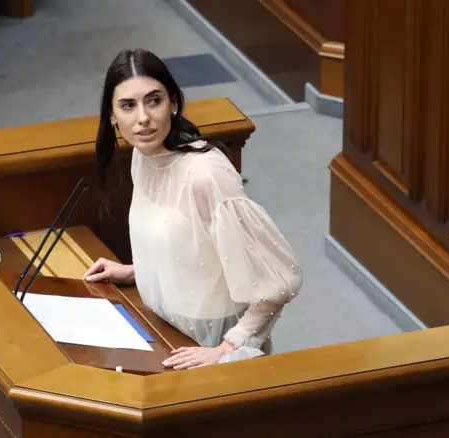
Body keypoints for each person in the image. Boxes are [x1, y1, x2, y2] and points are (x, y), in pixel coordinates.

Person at [83, 48, 303, 370]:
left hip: (210, 344)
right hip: (165, 331)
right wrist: (137, 271)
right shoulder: (143, 155)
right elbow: (190, 244)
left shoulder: (205, 175)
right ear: (112, 115)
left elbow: (278, 280)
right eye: (128, 106)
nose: (143, 118)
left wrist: (226, 348)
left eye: (154, 100)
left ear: (173, 103)